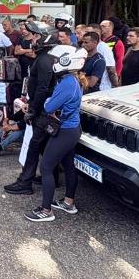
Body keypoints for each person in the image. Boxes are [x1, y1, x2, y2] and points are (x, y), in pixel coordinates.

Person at [25, 45, 86, 222]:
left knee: (46, 167)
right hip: (71, 129)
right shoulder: (71, 79)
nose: (53, 62)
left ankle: (46, 211)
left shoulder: (67, 83)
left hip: (65, 130)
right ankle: (68, 203)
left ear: (66, 61)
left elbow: (48, 106)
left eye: (56, 60)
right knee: (68, 165)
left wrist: (50, 102)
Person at [4, 22, 59, 195]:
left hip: (41, 110)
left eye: (35, 35)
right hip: (41, 108)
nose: (32, 38)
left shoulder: (44, 60)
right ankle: (52, 178)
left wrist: (33, 110)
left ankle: (25, 182)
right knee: (42, 145)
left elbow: (43, 88)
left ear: (44, 38)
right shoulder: (44, 57)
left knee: (34, 147)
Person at [89, 23, 119, 89]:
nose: (87, 35)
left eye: (90, 32)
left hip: (102, 87)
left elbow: (111, 69)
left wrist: (116, 87)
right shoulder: (89, 46)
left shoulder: (104, 48)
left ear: (98, 33)